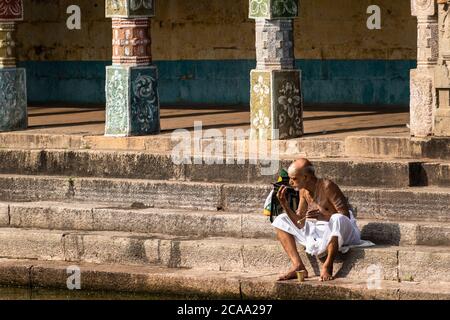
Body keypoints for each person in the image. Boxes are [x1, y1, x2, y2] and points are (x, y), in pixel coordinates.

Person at [272, 158, 361, 282]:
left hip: (343, 232)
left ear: (306, 177)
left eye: (294, 178)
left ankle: (328, 265)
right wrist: (285, 205)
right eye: (290, 178)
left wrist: (324, 216)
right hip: (318, 232)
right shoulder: (302, 191)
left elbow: (345, 216)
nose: (291, 182)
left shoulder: (327, 186)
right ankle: (298, 265)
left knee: (337, 218)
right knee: (281, 219)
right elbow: (300, 222)